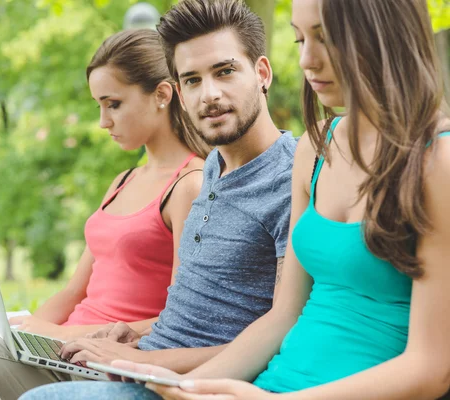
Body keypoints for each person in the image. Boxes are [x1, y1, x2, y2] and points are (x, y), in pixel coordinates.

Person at [20, 0, 450, 398]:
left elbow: (433, 369)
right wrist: (188, 385)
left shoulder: (439, 162)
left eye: (326, 37)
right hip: (266, 382)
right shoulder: (316, 149)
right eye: (301, 40)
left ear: (383, 31)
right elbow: (283, 316)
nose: (306, 60)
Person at [0, 28, 210, 400]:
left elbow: (178, 319)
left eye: (114, 104)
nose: (103, 121)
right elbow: (74, 291)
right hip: (64, 355)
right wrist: (28, 332)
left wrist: (67, 335)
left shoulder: (190, 185)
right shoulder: (123, 182)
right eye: (99, 106)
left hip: (104, 362)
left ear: (162, 94)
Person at [19, 0, 300, 399]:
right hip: (138, 360)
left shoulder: (291, 177)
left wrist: (151, 363)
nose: (210, 94)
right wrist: (129, 336)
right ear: (180, 94)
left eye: (225, 71)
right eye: (192, 80)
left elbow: (282, 330)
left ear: (262, 73)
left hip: (185, 380)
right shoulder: (212, 169)